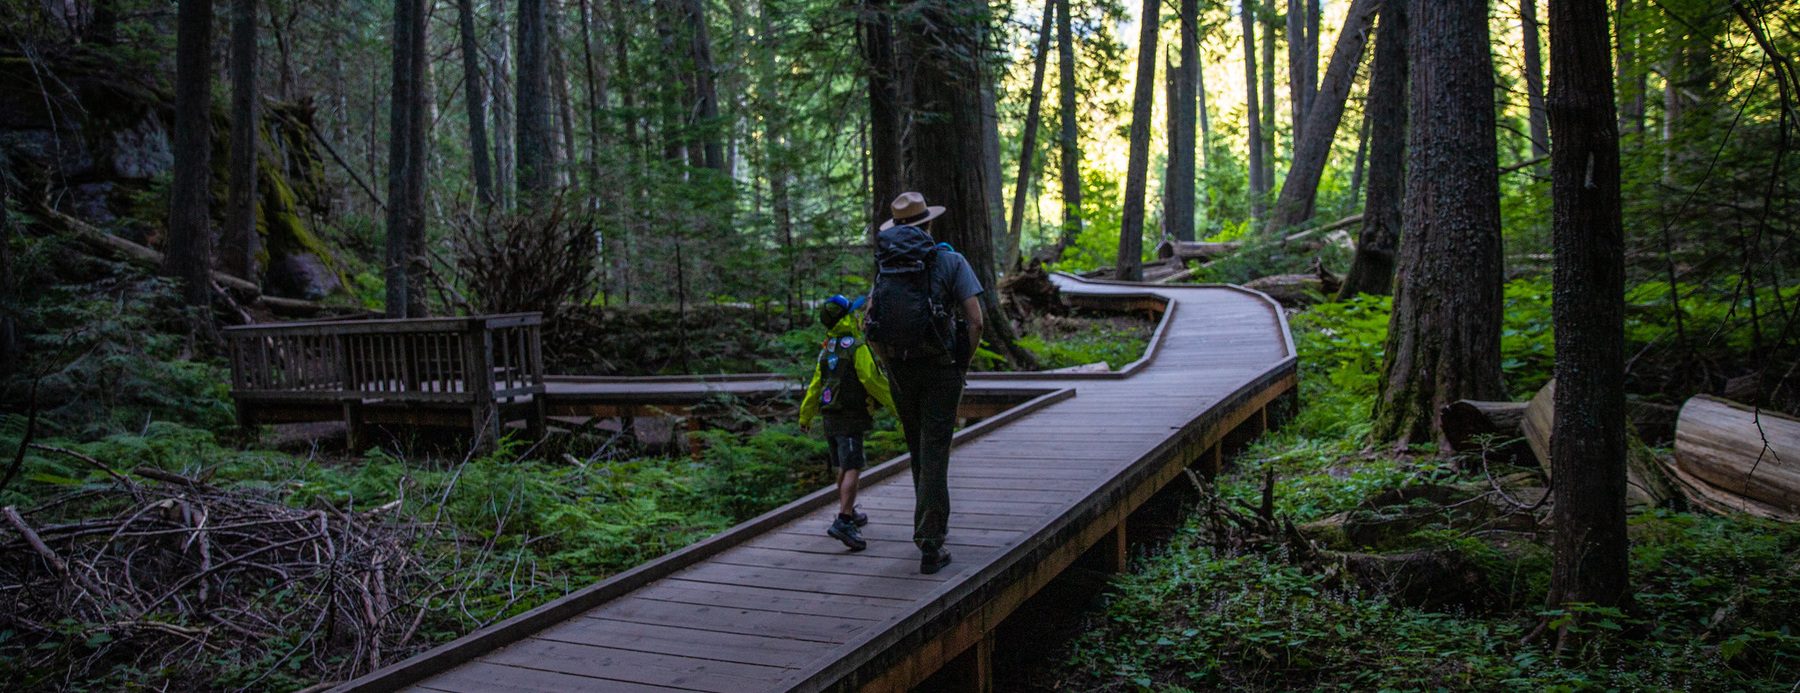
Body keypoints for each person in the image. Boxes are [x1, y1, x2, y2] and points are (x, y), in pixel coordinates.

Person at [864, 192, 985, 575]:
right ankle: (930, 543)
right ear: (927, 225)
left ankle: (925, 528)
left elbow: (870, 326)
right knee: (934, 449)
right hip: (941, 368)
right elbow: (976, 320)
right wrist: (962, 362)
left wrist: (889, 365)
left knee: (918, 448)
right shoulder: (950, 260)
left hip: (901, 369)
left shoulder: (886, 267)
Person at [799, 294, 896, 551]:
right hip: (850, 417)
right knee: (853, 465)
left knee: (843, 464)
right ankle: (843, 519)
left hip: (830, 418)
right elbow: (872, 380)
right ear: (845, 318)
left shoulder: (828, 349)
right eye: (852, 312)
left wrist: (806, 415)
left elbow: (815, 386)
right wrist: (898, 407)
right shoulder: (856, 347)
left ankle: (849, 510)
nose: (857, 315)